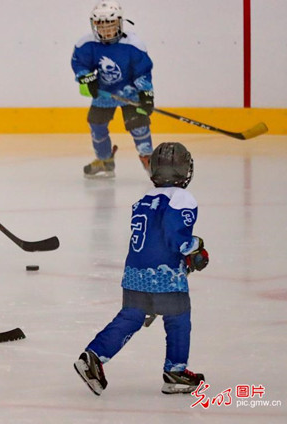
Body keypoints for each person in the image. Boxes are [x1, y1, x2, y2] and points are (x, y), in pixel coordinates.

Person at [73, 142, 210, 395]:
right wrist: (196, 248)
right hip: (165, 275)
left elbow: (152, 237)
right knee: (179, 318)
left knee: (131, 317)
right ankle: (175, 372)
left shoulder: (146, 197)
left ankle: (93, 357)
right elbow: (175, 236)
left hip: (135, 271)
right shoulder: (183, 198)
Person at [71, 0, 155, 178]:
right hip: (104, 94)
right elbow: (79, 63)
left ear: (120, 22)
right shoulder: (87, 44)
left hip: (130, 93)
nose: (106, 30)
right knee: (97, 125)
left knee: (139, 126)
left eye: (111, 24)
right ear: (94, 25)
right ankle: (105, 160)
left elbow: (142, 72)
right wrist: (87, 78)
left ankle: (149, 160)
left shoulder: (133, 45)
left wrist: (146, 95)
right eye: (101, 25)